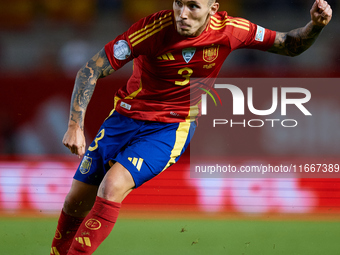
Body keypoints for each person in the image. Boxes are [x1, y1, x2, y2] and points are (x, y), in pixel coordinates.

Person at [50, 0, 332, 254]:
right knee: (76, 200)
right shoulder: (152, 29)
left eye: (193, 6)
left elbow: (288, 44)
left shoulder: (232, 30)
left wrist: (315, 26)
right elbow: (91, 68)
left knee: (112, 186)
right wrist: (75, 125)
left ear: (213, 8)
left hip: (170, 127)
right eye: (178, 4)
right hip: (123, 118)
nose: (182, 14)